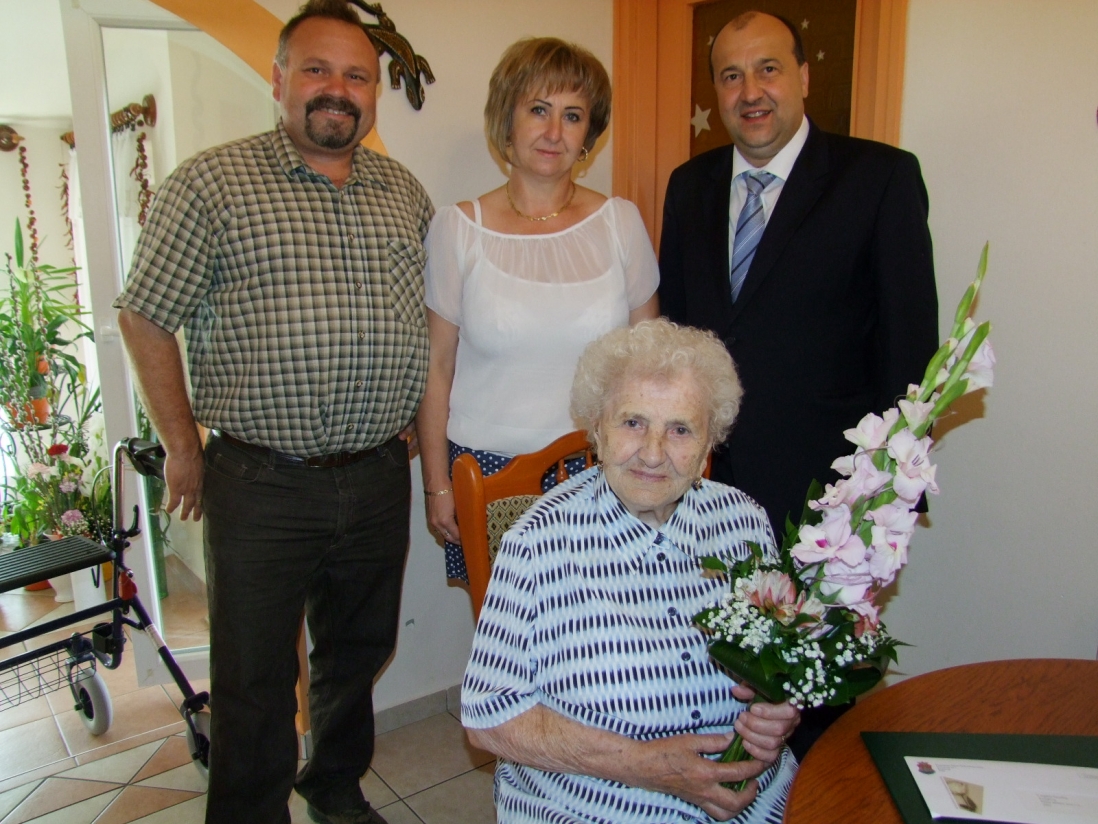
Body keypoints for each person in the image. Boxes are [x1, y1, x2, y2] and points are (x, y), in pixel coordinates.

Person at [114, 2, 432, 823]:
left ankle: (333, 786)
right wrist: (182, 446)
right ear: (279, 78)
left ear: (373, 93)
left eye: (356, 75)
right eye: (317, 69)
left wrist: (408, 413)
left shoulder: (403, 193)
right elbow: (144, 315)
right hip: (260, 483)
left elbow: (429, 316)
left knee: (357, 653)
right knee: (254, 677)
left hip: (376, 476)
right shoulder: (211, 184)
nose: (337, 89)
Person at [657, 12, 939, 759]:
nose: (750, 91)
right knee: (711, 685)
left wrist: (882, 503)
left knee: (813, 713)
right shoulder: (689, 186)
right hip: (706, 493)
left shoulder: (879, 178)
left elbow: (912, 357)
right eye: (730, 75)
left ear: (805, 76)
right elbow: (677, 340)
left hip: (824, 503)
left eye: (768, 68)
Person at [463, 319, 800, 824]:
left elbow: (782, 660)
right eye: (633, 423)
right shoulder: (537, 544)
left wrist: (781, 710)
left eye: (680, 429)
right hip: (599, 808)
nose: (653, 453)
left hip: (759, 802)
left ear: (709, 444)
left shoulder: (744, 521)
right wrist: (646, 765)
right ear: (597, 430)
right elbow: (487, 717)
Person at [414, 37, 659, 583]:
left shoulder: (620, 223)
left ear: (588, 136)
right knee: (510, 626)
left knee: (604, 623)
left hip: (601, 469)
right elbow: (437, 366)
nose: (554, 132)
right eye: (538, 110)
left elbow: (649, 367)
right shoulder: (458, 228)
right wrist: (436, 484)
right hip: (490, 473)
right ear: (507, 120)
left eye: (573, 116)